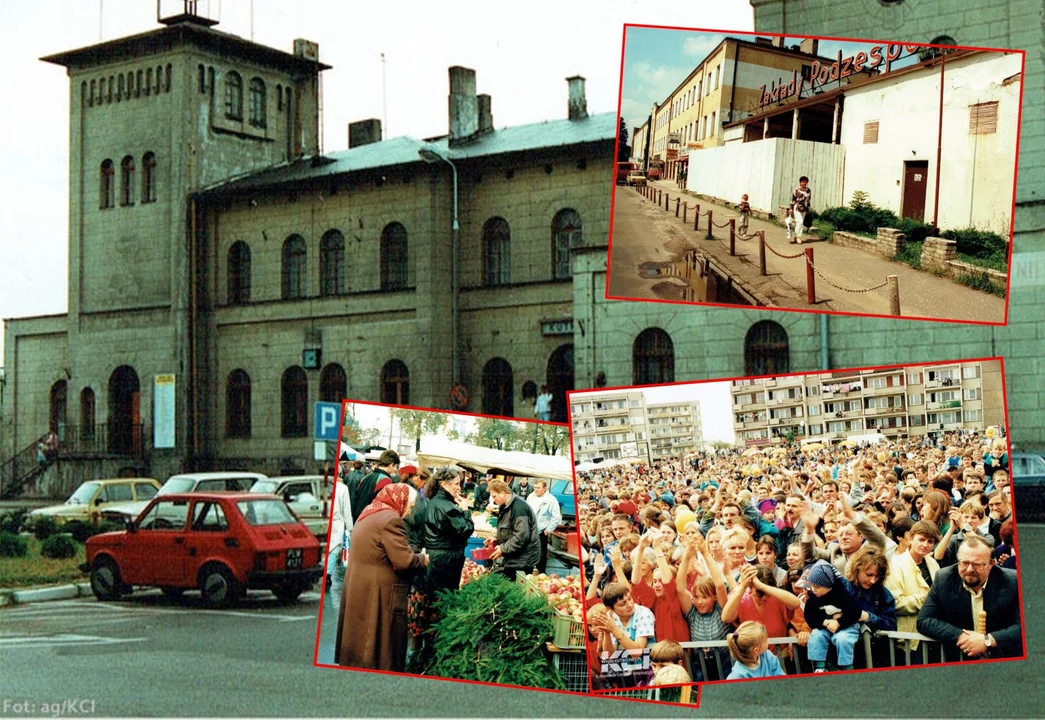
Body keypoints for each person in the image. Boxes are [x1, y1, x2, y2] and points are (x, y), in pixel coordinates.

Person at [335, 484, 428, 672]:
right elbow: (404, 560)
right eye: (409, 504)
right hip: (379, 590)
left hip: (360, 585)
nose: (409, 510)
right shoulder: (391, 520)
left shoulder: (369, 511)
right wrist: (423, 559)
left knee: (360, 640)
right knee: (380, 646)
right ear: (399, 500)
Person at [917, 535, 1023, 659]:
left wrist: (987, 641)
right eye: (964, 563)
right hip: (960, 660)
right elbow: (924, 620)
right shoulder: (943, 578)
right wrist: (962, 636)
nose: (969, 569)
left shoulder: (1013, 581)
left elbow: (1023, 626)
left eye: (977, 564)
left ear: (991, 564)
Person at [885, 520, 941, 652]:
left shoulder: (933, 563)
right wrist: (926, 599)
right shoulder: (895, 566)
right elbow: (895, 603)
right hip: (909, 638)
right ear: (910, 539)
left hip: (933, 632)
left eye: (930, 541)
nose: (925, 545)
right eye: (921, 540)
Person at [798, 560, 862, 673]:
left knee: (842, 639)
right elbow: (809, 615)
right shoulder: (813, 598)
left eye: (817, 587)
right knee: (816, 635)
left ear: (828, 585)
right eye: (812, 586)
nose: (813, 590)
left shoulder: (843, 594)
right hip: (825, 627)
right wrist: (824, 622)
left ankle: (846, 666)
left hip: (846, 626)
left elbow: (855, 612)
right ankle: (820, 665)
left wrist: (839, 622)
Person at [423, 466, 475, 597]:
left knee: (435, 598)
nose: (459, 487)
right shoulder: (446, 506)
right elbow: (466, 529)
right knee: (444, 599)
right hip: (445, 560)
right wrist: (465, 510)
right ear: (444, 484)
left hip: (437, 557)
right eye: (456, 484)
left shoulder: (435, 501)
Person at [488, 479, 541, 577]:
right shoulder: (505, 506)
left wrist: (502, 549)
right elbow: (509, 529)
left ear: (503, 493)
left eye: (494, 496)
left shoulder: (519, 508)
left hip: (523, 559)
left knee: (515, 587)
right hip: (515, 556)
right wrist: (496, 538)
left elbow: (521, 536)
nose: (494, 500)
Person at [326, 462, 354, 612]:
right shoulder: (342, 489)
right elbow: (346, 510)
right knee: (334, 550)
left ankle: (327, 574)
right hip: (337, 525)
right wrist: (350, 528)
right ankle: (328, 574)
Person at [348, 450, 400, 524]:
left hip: (358, 518)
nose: (394, 469)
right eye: (394, 467)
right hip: (370, 521)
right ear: (391, 465)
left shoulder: (366, 477)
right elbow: (381, 506)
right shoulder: (386, 480)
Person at [526, 479, 563, 573]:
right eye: (535, 487)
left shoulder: (551, 500)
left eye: (538, 488)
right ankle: (527, 572)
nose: (536, 490)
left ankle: (541, 572)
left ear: (545, 488)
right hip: (529, 530)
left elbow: (556, 517)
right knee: (528, 552)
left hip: (541, 531)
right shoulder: (531, 496)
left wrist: (548, 530)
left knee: (540, 554)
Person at [788, 175, 811, 245]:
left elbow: (809, 200)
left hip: (804, 208)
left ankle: (795, 236)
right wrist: (791, 208)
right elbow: (793, 199)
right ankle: (798, 237)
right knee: (800, 222)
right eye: (803, 182)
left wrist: (808, 208)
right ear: (800, 182)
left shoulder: (808, 190)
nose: (804, 183)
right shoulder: (796, 190)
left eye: (805, 182)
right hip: (797, 207)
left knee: (800, 223)